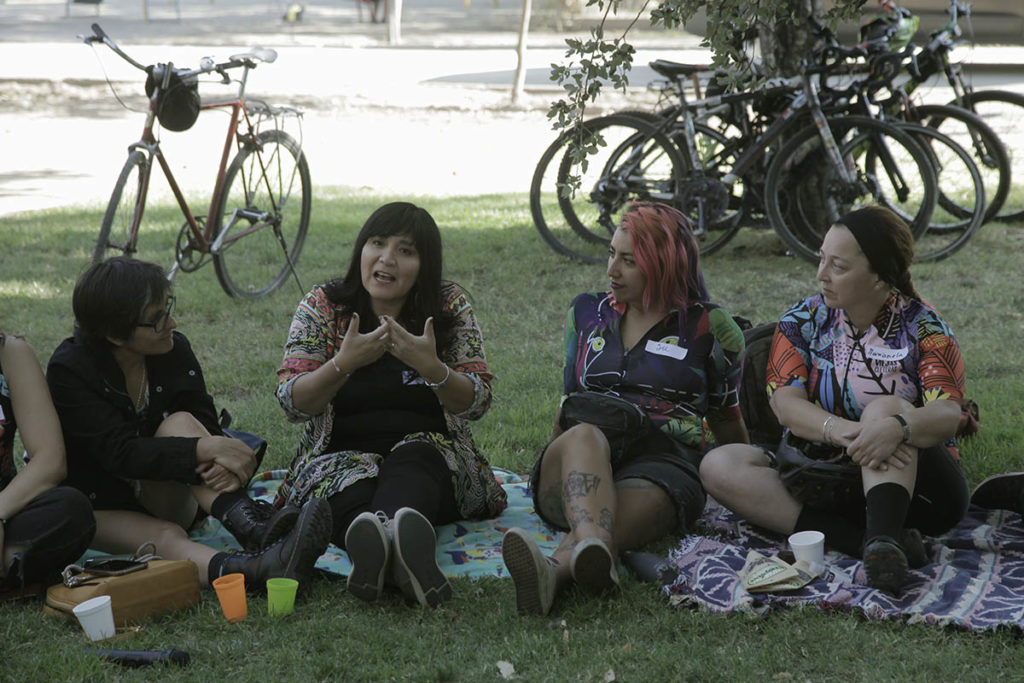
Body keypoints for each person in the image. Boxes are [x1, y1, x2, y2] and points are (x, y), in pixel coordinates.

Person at [700, 205, 969, 595]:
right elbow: (784, 403)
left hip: (921, 496)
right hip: (824, 480)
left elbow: (948, 413)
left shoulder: (924, 327)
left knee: (886, 408)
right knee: (719, 463)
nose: (821, 274)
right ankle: (868, 544)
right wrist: (846, 433)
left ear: (880, 275)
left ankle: (884, 533)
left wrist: (895, 429)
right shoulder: (803, 320)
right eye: (821, 259)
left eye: (838, 266)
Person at [501, 201, 748, 616]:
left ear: (665, 265)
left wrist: (748, 474)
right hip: (580, 454)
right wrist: (550, 459)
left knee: (618, 508)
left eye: (629, 261)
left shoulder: (710, 327)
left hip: (662, 466)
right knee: (584, 435)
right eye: (611, 254)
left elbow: (727, 417)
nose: (611, 270)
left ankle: (553, 573)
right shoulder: (586, 312)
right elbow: (568, 402)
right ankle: (595, 552)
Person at [46, 257, 331, 591]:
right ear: (115, 335)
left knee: (181, 422)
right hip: (99, 505)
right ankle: (256, 570)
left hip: (167, 492)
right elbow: (119, 453)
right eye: (157, 319)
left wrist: (212, 450)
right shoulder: (70, 370)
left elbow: (201, 419)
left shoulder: (171, 348)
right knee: (166, 536)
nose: (172, 321)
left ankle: (256, 529)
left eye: (168, 307)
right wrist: (206, 448)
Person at [274, 201, 506, 608]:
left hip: (434, 458)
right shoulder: (324, 305)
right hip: (338, 457)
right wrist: (344, 363)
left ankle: (386, 546)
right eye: (377, 243)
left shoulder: (448, 307)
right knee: (344, 485)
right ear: (361, 250)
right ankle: (394, 552)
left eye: (406, 250)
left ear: (424, 266)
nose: (387, 259)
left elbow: (476, 403)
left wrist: (431, 367)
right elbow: (294, 403)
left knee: (416, 457)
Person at [0, 332, 95, 593]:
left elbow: (50, 459)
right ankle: (12, 571)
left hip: (7, 513)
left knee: (71, 510)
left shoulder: (10, 354)